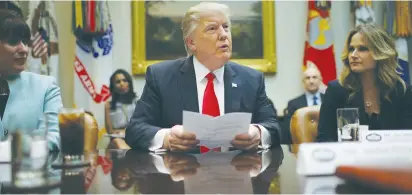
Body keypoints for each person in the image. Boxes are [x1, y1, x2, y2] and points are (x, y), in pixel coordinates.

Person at [125, 2, 281, 151]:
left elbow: (273, 127)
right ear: (192, 43)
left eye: (226, 27)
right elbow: (135, 130)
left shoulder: (251, 79)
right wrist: (166, 138)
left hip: (236, 172)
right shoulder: (161, 77)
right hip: (180, 173)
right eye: (212, 29)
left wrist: (258, 133)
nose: (223, 35)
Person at [316, 24, 412, 142]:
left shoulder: (401, 91)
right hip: (348, 159)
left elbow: (408, 140)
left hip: (390, 158)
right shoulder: (337, 90)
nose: (353, 55)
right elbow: (324, 139)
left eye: (362, 49)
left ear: (380, 53)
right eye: (351, 49)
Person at [0, 10, 62, 151]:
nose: (24, 49)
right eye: (13, 41)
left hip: (31, 170)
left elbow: (54, 137)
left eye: (25, 42)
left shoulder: (46, 87)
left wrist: (14, 147)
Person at [283, 65, 324, 143]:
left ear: (320, 80)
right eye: (308, 78)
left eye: (314, 77)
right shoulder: (293, 104)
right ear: (303, 81)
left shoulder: (328, 100)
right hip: (302, 144)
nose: (311, 81)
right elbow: (290, 130)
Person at [105, 69, 138, 136]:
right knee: (118, 143)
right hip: (117, 137)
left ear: (129, 83)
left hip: (134, 135)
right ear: (113, 86)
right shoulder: (108, 105)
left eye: (124, 80)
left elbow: (142, 126)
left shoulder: (137, 102)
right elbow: (110, 131)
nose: (122, 84)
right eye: (118, 82)